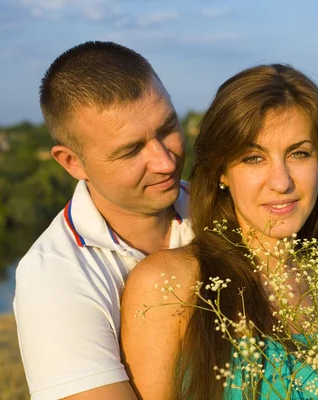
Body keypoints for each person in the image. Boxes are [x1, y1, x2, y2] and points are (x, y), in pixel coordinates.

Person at [120, 64, 318, 399]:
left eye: (299, 154)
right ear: (222, 172)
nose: (281, 182)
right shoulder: (169, 284)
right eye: (254, 158)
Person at [13, 41, 194, 399]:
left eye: (167, 128)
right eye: (131, 150)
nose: (165, 162)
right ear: (71, 162)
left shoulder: (229, 209)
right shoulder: (55, 276)